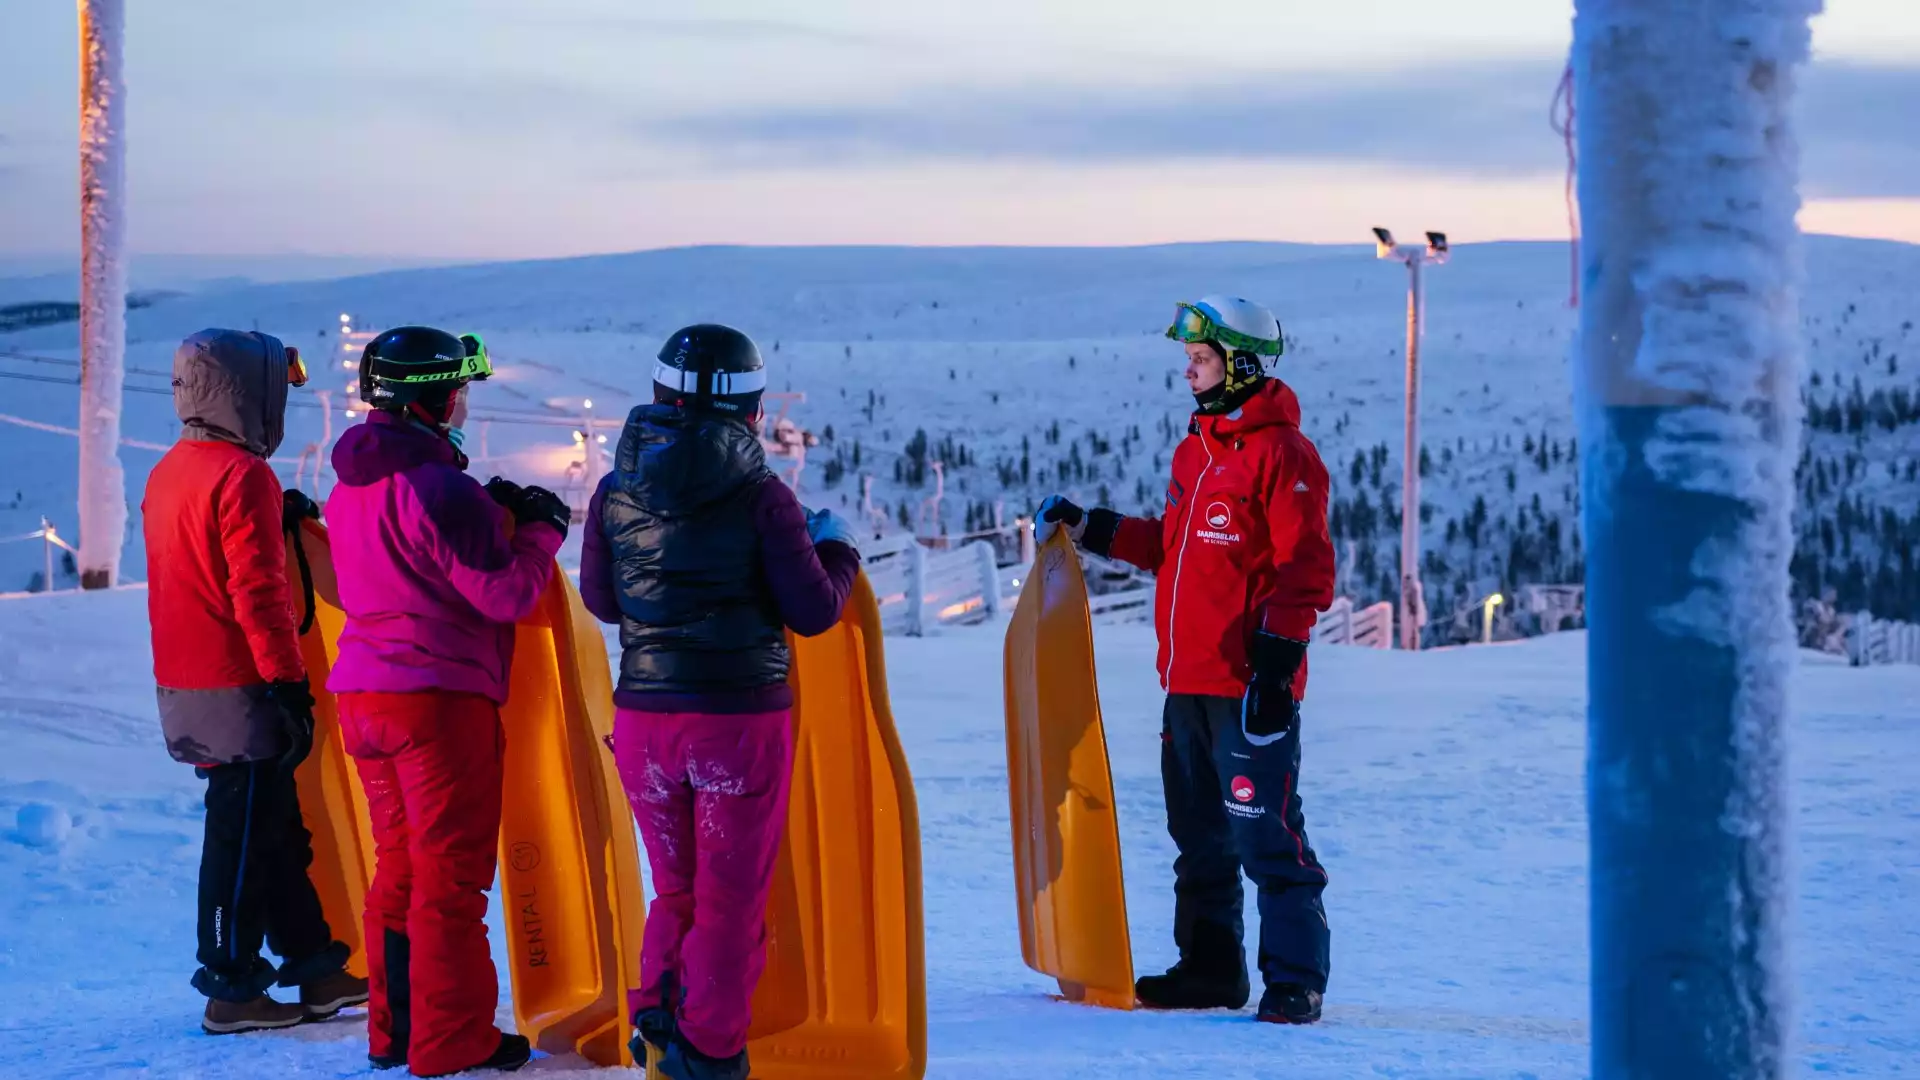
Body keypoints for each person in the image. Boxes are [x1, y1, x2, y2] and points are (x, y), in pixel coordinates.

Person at [1038, 295, 1335, 1025]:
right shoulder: (1195, 450)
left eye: (1199, 360)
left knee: (1264, 831)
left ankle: (1294, 979)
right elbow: (1172, 548)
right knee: (1197, 838)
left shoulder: (1283, 455)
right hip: (1186, 683)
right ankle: (1210, 967)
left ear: (1240, 364)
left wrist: (1276, 664)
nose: (1189, 374)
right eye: (1188, 360)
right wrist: (1093, 528)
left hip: (1245, 686)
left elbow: (1306, 569)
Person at [577, 324, 862, 1080]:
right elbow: (812, 611)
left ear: (660, 396)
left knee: (676, 887)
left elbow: (603, 600)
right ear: (751, 409)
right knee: (731, 900)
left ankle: (660, 1021)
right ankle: (710, 1049)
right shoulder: (764, 496)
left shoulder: (614, 489)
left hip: (643, 719)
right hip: (735, 722)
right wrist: (838, 549)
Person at [325, 326, 568, 1076]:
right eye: (458, 390)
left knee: (399, 867)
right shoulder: (438, 487)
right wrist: (539, 533)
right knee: (451, 877)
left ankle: (393, 1031)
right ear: (431, 399)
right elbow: (504, 595)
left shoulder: (351, 484)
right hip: (435, 700)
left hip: (363, 694)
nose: (464, 402)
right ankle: (452, 1038)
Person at [144, 328, 370, 1034]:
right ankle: (231, 985)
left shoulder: (173, 469)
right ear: (251, 395)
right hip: (239, 684)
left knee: (273, 829)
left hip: (187, 681)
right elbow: (258, 592)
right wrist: (287, 682)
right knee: (241, 837)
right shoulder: (243, 475)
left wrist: (282, 515)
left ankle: (314, 967)